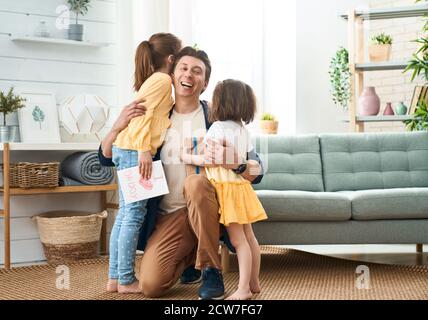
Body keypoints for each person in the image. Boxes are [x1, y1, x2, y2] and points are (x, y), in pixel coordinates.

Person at [99, 47, 265, 300]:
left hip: (210, 208)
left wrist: (237, 164)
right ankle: (190, 260)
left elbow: (259, 170)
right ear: (172, 74)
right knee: (151, 286)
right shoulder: (154, 115)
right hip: (169, 215)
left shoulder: (217, 117)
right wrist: (116, 127)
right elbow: (106, 158)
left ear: (205, 82)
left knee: (196, 183)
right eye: (184, 68)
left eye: (197, 71)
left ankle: (211, 268)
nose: (189, 75)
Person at [107, 32, 182, 294]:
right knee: (133, 216)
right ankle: (126, 279)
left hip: (125, 148)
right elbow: (142, 118)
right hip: (134, 150)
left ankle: (115, 278)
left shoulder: (153, 80)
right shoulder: (162, 80)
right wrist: (143, 151)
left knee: (125, 216)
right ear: (171, 58)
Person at [181, 79, 267, 300]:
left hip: (227, 191)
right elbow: (250, 162)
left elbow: (209, 160)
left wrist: (186, 156)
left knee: (239, 242)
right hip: (242, 188)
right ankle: (254, 282)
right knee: (250, 238)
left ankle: (244, 289)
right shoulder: (242, 130)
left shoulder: (217, 129)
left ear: (220, 103)